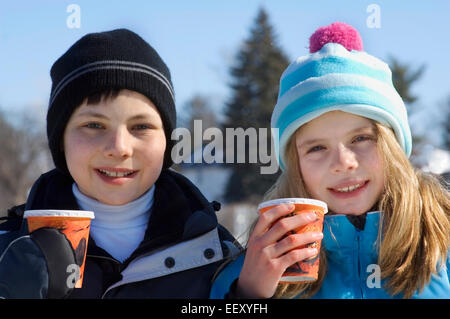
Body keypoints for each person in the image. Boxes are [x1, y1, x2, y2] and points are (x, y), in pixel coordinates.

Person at [210, 22, 449, 299]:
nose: (342, 162)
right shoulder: (249, 275)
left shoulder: (442, 242)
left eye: (360, 139)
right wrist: (248, 295)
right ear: (294, 164)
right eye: (317, 148)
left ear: (393, 146)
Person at [0, 28, 240, 298]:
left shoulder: (223, 258)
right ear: (61, 139)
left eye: (141, 126)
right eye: (94, 125)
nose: (119, 148)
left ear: (167, 142)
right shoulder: (7, 254)